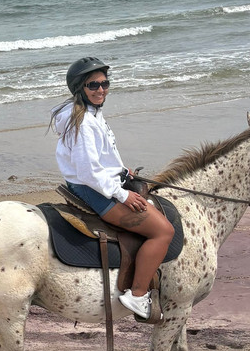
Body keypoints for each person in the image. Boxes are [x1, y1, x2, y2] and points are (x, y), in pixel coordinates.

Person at [50, 58, 174, 319]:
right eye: (93, 84)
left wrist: (121, 171)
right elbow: (88, 171)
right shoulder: (83, 122)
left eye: (105, 83)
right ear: (80, 87)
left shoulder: (91, 112)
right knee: (163, 231)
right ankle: (138, 295)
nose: (101, 89)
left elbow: (100, 159)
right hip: (94, 190)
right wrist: (122, 194)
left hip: (100, 181)